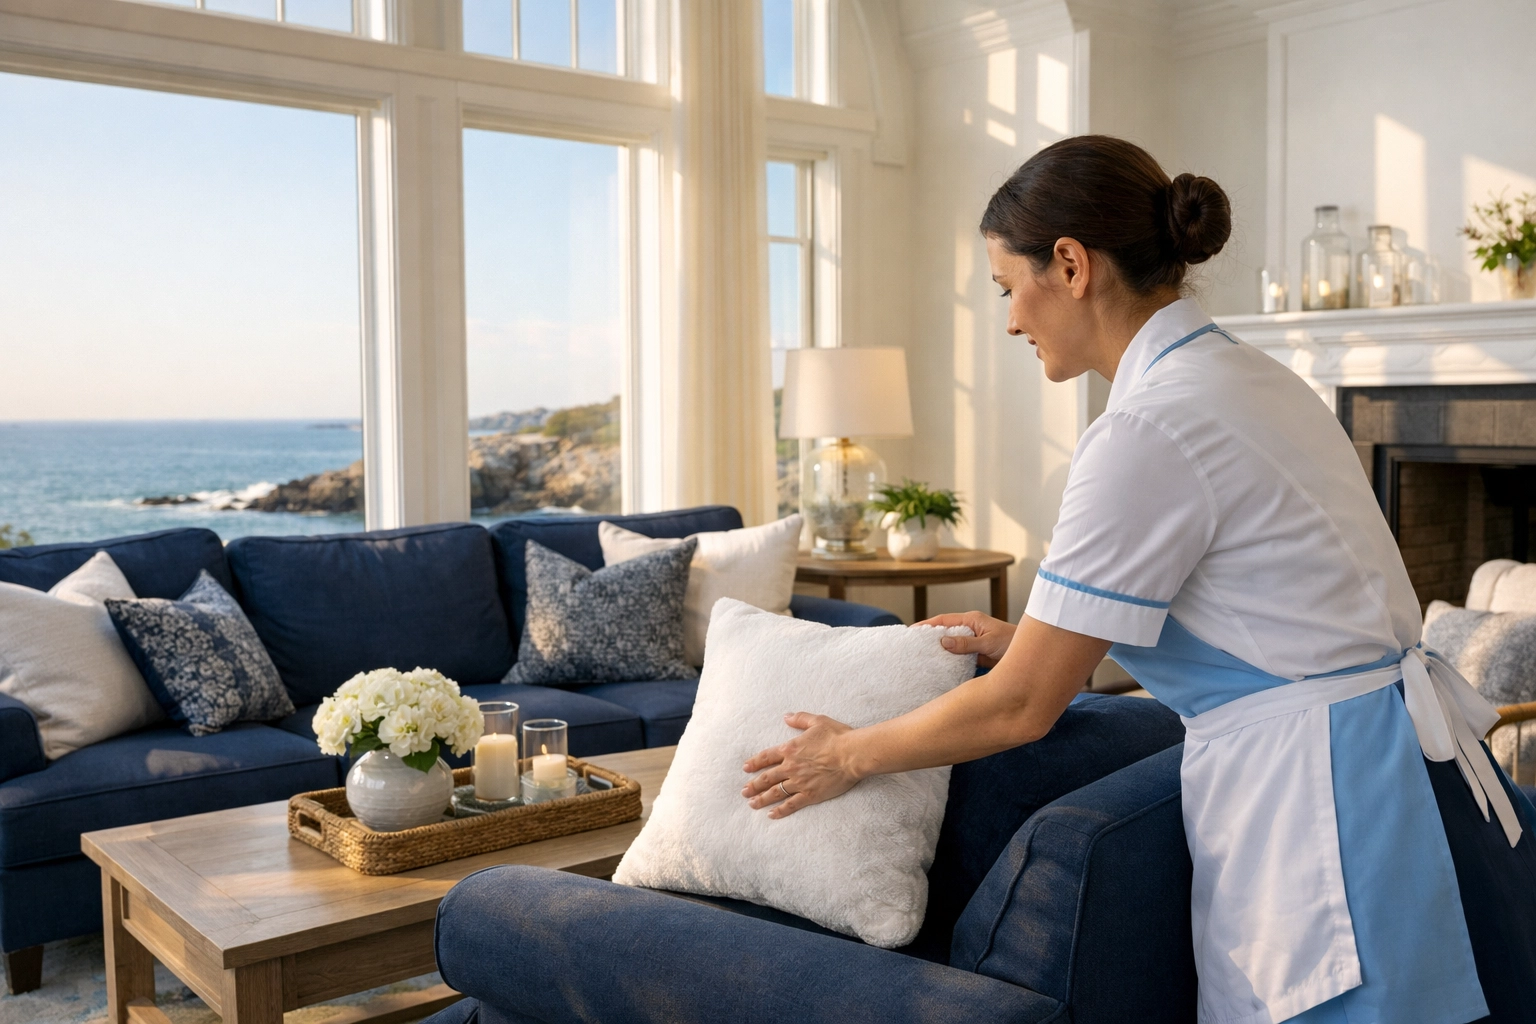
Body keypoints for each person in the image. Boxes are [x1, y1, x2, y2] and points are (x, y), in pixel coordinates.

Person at [740, 135, 1536, 1023]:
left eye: (1009, 288)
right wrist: (1042, 635)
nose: (1009, 321)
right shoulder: (1254, 377)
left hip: (1323, 803)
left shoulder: (1146, 430)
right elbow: (1267, 613)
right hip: (1397, 772)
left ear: (1072, 265)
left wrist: (846, 752)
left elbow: (1020, 708)